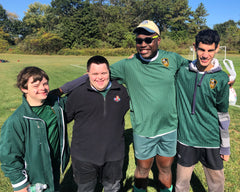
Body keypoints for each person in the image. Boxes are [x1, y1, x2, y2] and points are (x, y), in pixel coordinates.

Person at [54, 20, 190, 192]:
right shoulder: (128, 65)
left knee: (165, 169)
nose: (143, 44)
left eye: (148, 40)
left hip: (169, 128)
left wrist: (222, 79)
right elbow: (96, 74)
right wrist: (60, 90)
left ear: (158, 40)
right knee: (142, 170)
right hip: (143, 129)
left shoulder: (172, 59)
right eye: (139, 40)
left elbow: (194, 71)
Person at [175, 29, 230, 192]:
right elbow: (162, 61)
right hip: (186, 140)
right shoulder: (182, 71)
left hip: (212, 141)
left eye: (210, 50)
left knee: (217, 185)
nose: (205, 55)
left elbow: (223, 113)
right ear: (194, 47)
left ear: (217, 49)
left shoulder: (221, 78)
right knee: (181, 185)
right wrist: (135, 58)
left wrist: (225, 146)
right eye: (201, 49)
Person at [65, 55, 129, 192]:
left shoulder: (121, 91)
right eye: (95, 74)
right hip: (84, 157)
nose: (99, 77)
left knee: (113, 188)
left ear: (109, 73)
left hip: (114, 155)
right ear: (87, 74)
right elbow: (64, 118)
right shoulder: (77, 94)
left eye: (103, 73)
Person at [0, 67, 70, 192]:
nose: (42, 88)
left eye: (45, 84)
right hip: (34, 177)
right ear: (24, 89)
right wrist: (20, 184)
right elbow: (8, 157)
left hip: (53, 168)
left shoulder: (56, 107)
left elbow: (79, 94)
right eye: (36, 85)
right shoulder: (16, 120)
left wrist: (90, 76)